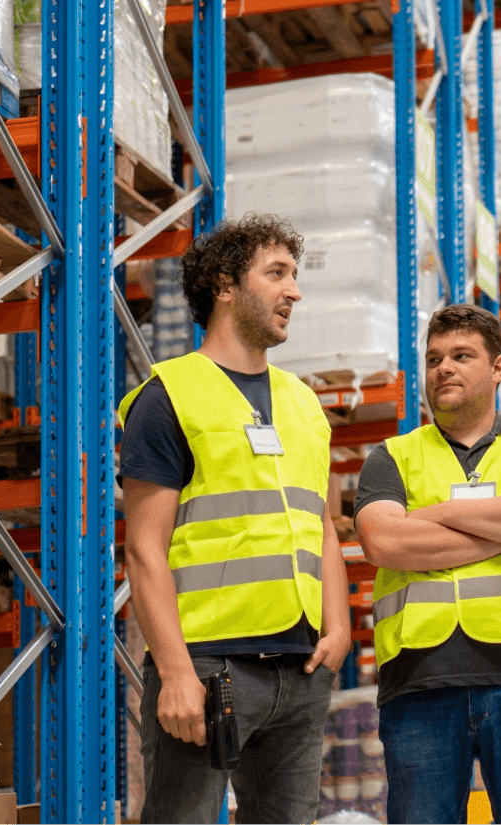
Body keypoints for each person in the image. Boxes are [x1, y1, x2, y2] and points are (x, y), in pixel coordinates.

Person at [119, 214, 350, 824]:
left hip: (300, 669)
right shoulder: (168, 397)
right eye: (276, 274)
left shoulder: (303, 403)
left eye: (295, 275)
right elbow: (144, 550)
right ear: (224, 285)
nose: (294, 291)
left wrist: (339, 623)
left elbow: (321, 524)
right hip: (209, 668)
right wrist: (172, 673)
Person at [354, 304, 501, 825]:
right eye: (435, 358)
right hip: (419, 679)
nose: (444, 368)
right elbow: (383, 541)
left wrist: (439, 516)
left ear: (499, 367)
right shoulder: (391, 456)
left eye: (462, 355)